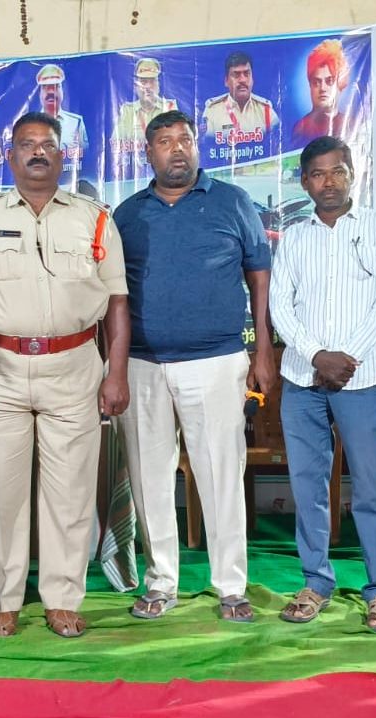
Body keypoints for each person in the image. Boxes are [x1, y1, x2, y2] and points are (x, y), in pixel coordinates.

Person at [0, 112, 130, 639]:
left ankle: (62, 598)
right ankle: (2, 601)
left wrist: (115, 372)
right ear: (10, 157)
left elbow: (117, 302)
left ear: (63, 155)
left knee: (69, 493)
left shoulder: (95, 219)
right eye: (26, 144)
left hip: (74, 369)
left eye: (48, 144)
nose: (38, 152)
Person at [114, 109, 277, 623]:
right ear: (148, 154)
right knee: (150, 478)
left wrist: (263, 349)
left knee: (220, 474)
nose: (177, 149)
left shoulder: (232, 201)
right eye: (165, 142)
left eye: (185, 139)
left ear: (197, 145)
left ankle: (231, 586)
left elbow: (259, 276)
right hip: (142, 364)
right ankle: (161, 582)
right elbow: (113, 295)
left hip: (217, 360)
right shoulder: (127, 214)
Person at [269, 136, 376, 631]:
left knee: (371, 487)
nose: (329, 182)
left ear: (353, 174)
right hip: (302, 379)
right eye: (318, 174)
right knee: (308, 487)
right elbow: (280, 305)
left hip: (361, 378)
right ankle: (316, 582)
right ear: (305, 182)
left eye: (338, 171)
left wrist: (347, 357)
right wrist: (317, 356)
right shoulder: (294, 236)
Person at [112, 58, 178, 177]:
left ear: (159, 84)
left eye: (152, 81)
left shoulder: (170, 107)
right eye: (143, 82)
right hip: (135, 172)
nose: (147, 86)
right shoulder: (128, 111)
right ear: (136, 86)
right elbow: (116, 143)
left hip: (166, 172)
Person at [201, 52, 278, 146]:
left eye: (247, 74)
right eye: (236, 75)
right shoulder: (212, 111)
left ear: (252, 79)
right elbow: (207, 147)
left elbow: (278, 144)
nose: (242, 80)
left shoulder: (266, 111)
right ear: (226, 81)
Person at [290, 39, 352, 145]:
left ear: (340, 84)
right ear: (310, 86)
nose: (322, 88)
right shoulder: (301, 129)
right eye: (316, 82)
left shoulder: (351, 124)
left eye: (329, 81)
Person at [33, 64, 88, 177]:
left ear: (62, 91)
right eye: (45, 87)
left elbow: (86, 157)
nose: (50, 92)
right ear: (40, 93)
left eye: (55, 87)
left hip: (69, 181)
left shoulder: (76, 123)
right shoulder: (29, 124)